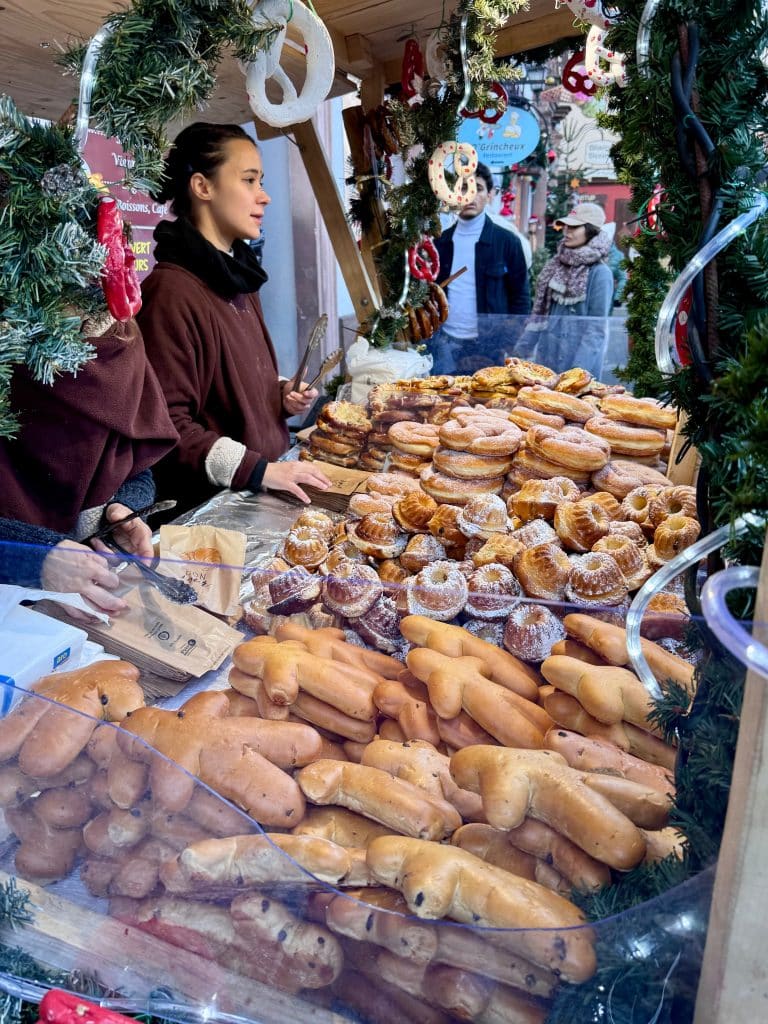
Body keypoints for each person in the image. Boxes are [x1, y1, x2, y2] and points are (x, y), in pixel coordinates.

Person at [136, 122, 331, 512]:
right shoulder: (171, 292)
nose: (265, 197)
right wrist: (258, 471)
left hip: (258, 487)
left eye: (261, 181)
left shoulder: (237, 276)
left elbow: (224, 387)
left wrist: (276, 394)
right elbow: (168, 427)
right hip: (209, 509)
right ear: (202, 187)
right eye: (249, 181)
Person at [0, 315, 179, 617]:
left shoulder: (121, 339)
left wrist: (123, 507)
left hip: (80, 598)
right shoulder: (13, 352)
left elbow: (133, 462)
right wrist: (34, 557)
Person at [430, 163, 530, 375]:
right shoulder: (440, 243)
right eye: (463, 188)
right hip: (445, 345)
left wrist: (507, 342)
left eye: (478, 188)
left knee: (485, 404)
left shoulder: (507, 242)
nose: (470, 196)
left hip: (489, 347)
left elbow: (520, 299)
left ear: (490, 195)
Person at [521, 201, 614, 377]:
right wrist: (519, 352)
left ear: (590, 230)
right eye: (566, 226)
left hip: (578, 367)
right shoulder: (556, 264)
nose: (567, 232)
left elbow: (595, 330)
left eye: (574, 227)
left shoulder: (600, 273)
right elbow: (540, 316)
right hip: (547, 362)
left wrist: (576, 375)